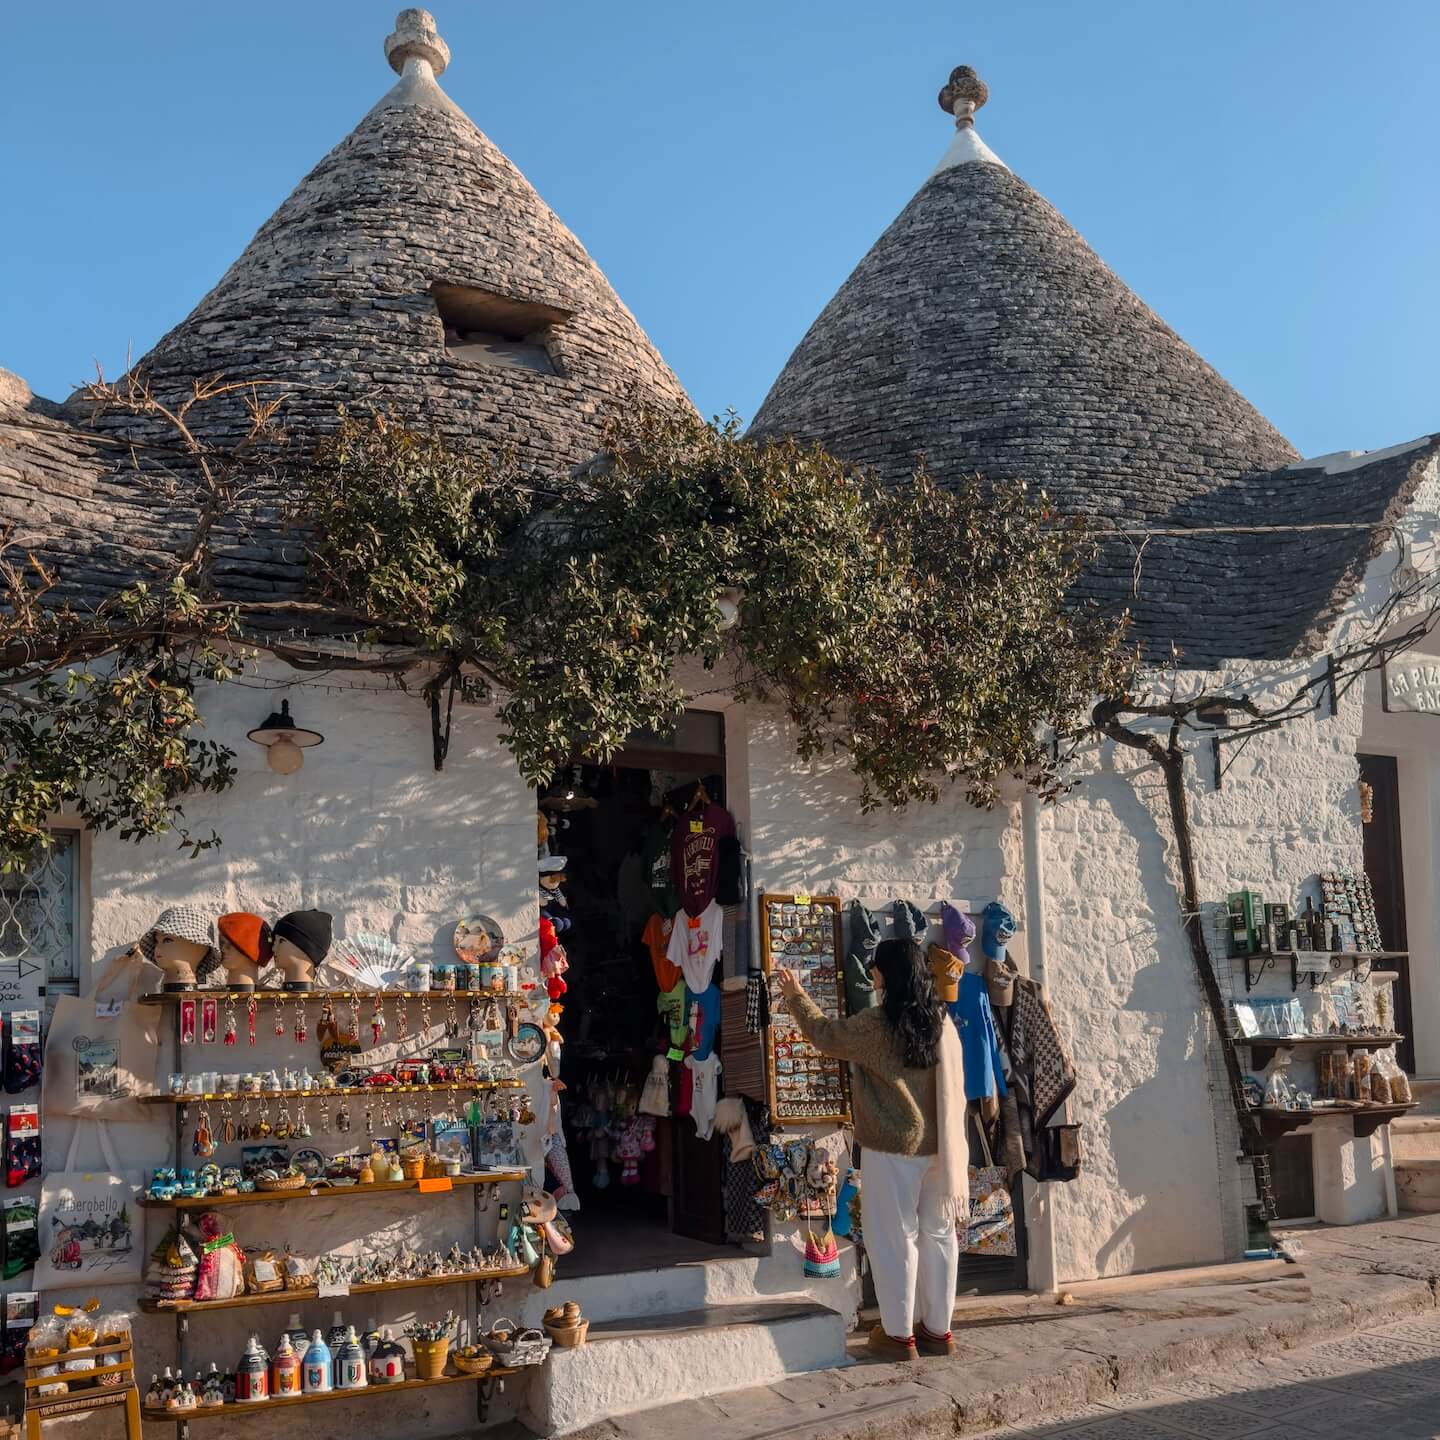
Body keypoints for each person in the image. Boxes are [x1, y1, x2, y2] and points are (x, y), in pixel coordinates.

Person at [776, 937, 967, 1362]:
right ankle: (939, 1331)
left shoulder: (877, 1025)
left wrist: (796, 996)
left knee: (894, 1237)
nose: (871, 974)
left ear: (887, 975)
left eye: (875, 968)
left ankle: (898, 1336)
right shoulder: (941, 1022)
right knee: (938, 1235)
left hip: (893, 1145)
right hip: (943, 1148)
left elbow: (826, 1036)